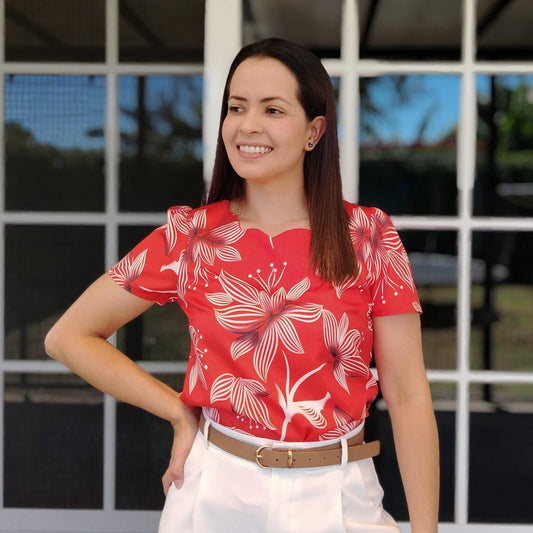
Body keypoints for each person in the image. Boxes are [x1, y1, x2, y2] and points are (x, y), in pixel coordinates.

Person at [45, 38, 439, 532]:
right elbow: (68, 337)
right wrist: (178, 412)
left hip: (338, 495)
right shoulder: (190, 236)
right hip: (216, 493)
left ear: (313, 131)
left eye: (273, 109)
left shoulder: (369, 236)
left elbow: (407, 395)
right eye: (237, 107)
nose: (248, 125)